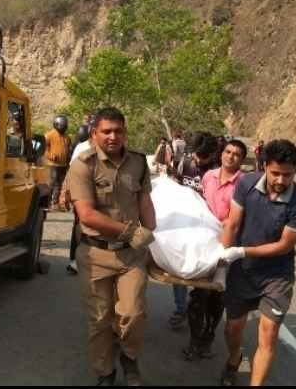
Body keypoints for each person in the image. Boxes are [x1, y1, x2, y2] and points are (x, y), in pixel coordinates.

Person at [67, 107, 157, 386]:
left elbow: (144, 202)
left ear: (125, 132)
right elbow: (87, 215)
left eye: (118, 130)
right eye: (106, 131)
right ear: (95, 134)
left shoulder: (139, 163)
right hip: (95, 253)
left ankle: (129, 356)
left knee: (132, 314)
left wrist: (152, 233)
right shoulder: (83, 165)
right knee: (100, 320)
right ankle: (105, 372)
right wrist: (132, 232)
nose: (113, 136)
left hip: (131, 255)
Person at [217, 140, 296, 386]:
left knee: (268, 335)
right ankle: (234, 357)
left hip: (276, 276)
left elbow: (284, 245)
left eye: (288, 175)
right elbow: (233, 224)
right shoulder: (246, 183)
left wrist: (242, 252)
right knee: (233, 329)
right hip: (242, 272)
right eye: (275, 173)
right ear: (264, 166)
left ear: (295, 171)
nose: (281, 180)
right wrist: (221, 262)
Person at [182, 139, 248, 360]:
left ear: (241, 159)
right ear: (221, 154)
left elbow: (243, 215)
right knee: (198, 292)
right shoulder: (208, 176)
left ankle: (208, 338)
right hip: (203, 241)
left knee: (217, 295)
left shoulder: (245, 183)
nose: (231, 156)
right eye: (228, 152)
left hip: (228, 243)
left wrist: (226, 225)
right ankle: (193, 341)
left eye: (237, 154)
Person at [169, 134, 220, 329]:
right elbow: (173, 187)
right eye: (197, 156)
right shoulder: (184, 163)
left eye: (204, 157)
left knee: (203, 272)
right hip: (184, 224)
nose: (199, 161)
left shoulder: (217, 171)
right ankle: (181, 308)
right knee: (179, 267)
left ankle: (199, 308)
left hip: (208, 228)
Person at [61, 114, 98, 276]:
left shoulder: (113, 147)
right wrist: (65, 191)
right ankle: (75, 260)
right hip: (82, 192)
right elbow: (71, 171)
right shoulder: (81, 147)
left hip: (103, 195)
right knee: (79, 225)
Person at [45, 114, 72, 211]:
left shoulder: (67, 137)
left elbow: (68, 150)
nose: (64, 127)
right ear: (56, 125)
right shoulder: (49, 135)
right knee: (52, 184)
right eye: (62, 125)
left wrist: (69, 162)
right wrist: (50, 155)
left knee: (59, 184)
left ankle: (55, 204)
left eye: (65, 125)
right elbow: (44, 149)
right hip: (52, 164)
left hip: (63, 164)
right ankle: (47, 203)